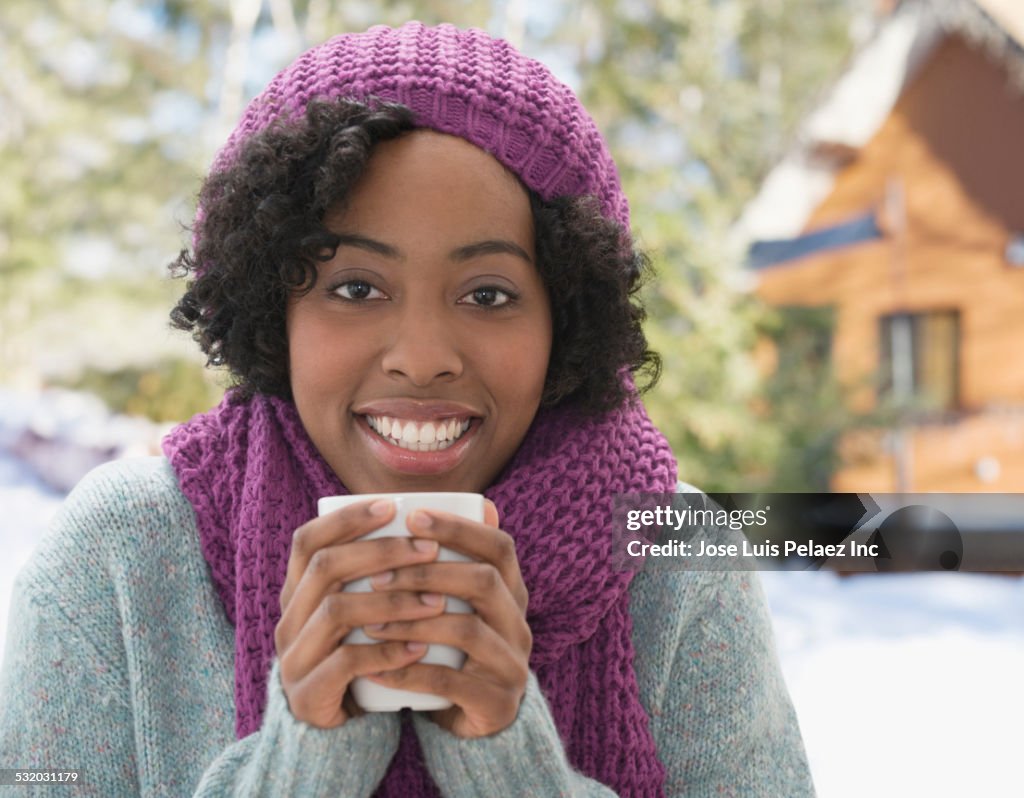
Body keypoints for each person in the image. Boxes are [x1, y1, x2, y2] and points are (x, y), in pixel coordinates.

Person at [0, 21, 814, 797]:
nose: (423, 356)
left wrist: (512, 763)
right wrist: (306, 754)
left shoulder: (676, 558)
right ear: (271, 310)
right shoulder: (124, 553)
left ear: (565, 316)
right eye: (356, 288)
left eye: (489, 293)